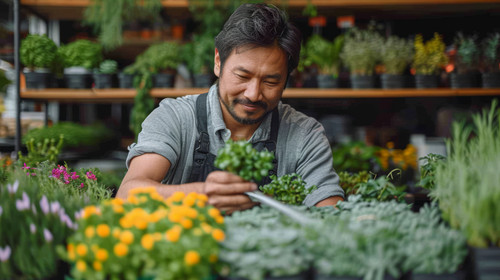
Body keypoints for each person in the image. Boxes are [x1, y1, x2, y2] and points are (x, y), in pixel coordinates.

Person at [117, 3, 345, 213]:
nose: (253, 94)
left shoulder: (305, 135)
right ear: (218, 62)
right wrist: (201, 194)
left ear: (287, 79)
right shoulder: (175, 118)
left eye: (271, 81)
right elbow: (127, 195)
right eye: (242, 76)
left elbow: (331, 213)